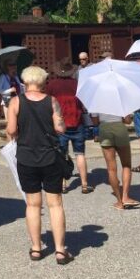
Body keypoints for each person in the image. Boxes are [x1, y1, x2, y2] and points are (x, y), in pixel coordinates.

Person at [7, 65, 73, 265]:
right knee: (55, 204)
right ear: (42, 81)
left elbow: (11, 130)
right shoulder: (51, 101)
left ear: (25, 81)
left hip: (26, 156)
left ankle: (36, 248)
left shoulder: (15, 102)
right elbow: (60, 128)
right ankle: (60, 250)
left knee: (33, 204)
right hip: (49, 156)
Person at [46, 58, 92, 194]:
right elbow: (83, 102)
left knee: (62, 155)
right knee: (80, 154)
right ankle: (84, 184)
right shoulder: (77, 84)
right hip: (77, 122)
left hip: (60, 124)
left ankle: (62, 184)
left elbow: (48, 103)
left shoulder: (52, 85)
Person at [90, 111, 140, 210]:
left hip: (104, 129)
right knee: (126, 165)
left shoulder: (96, 103)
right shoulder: (121, 101)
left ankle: (119, 201)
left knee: (111, 169)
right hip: (120, 128)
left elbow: (95, 122)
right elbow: (128, 121)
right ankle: (125, 196)